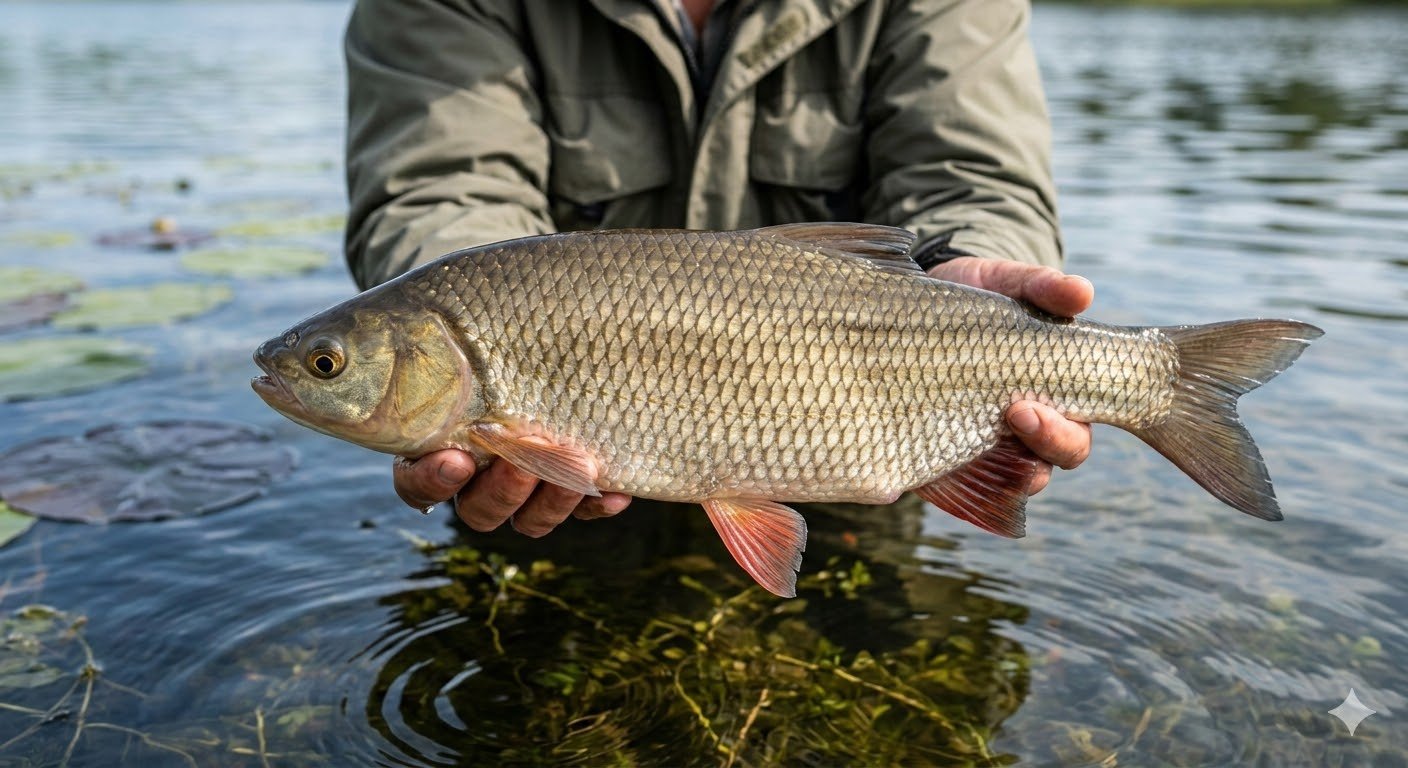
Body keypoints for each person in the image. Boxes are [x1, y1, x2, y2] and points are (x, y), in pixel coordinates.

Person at [343, 0, 1093, 538]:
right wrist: (471, 302)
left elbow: (973, 174)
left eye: (326, 363)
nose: (321, 372)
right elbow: (442, 187)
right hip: (549, 506)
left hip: (864, 444)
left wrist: (967, 264)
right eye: (329, 363)